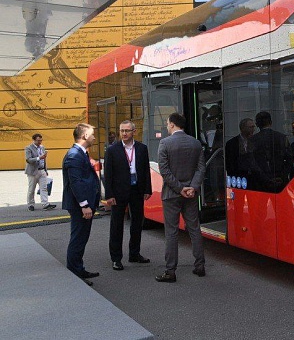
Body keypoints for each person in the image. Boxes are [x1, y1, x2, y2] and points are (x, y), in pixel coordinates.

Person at [156, 113, 206, 282]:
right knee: (194, 229)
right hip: (191, 194)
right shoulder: (195, 143)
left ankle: (170, 271)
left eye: (167, 123)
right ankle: (200, 266)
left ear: (171, 125)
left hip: (171, 194)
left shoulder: (165, 143)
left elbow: (165, 171)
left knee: (171, 232)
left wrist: (179, 188)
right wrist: (192, 187)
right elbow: (201, 168)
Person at [104, 120, 152, 271]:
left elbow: (145, 170)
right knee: (117, 225)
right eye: (122, 131)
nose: (124, 134)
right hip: (118, 192)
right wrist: (109, 195)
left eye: (127, 131)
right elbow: (108, 174)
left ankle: (134, 253)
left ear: (134, 132)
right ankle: (116, 258)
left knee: (137, 223)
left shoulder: (142, 148)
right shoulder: (112, 150)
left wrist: (147, 189)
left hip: (136, 190)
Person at [62, 123, 101, 286]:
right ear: (84, 136)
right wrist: (84, 205)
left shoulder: (80, 153)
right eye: (92, 134)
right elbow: (75, 182)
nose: (94, 137)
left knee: (81, 237)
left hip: (84, 204)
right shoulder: (74, 155)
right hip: (80, 206)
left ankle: (79, 268)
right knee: (78, 238)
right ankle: (74, 273)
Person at [250, 111, 289, 190]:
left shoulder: (252, 140)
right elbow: (289, 159)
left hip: (260, 183)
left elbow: (252, 163)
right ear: (271, 122)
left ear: (257, 124)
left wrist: (266, 179)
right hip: (280, 181)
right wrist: (282, 176)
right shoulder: (282, 137)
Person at [25, 133, 56, 211]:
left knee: (44, 188)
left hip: (42, 170)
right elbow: (28, 160)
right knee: (32, 189)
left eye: (41, 140)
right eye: (38, 140)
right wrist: (39, 158)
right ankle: (31, 204)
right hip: (33, 172)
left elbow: (44, 159)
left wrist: (45, 170)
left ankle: (45, 204)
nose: (40, 142)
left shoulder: (42, 147)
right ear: (34, 140)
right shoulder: (28, 148)